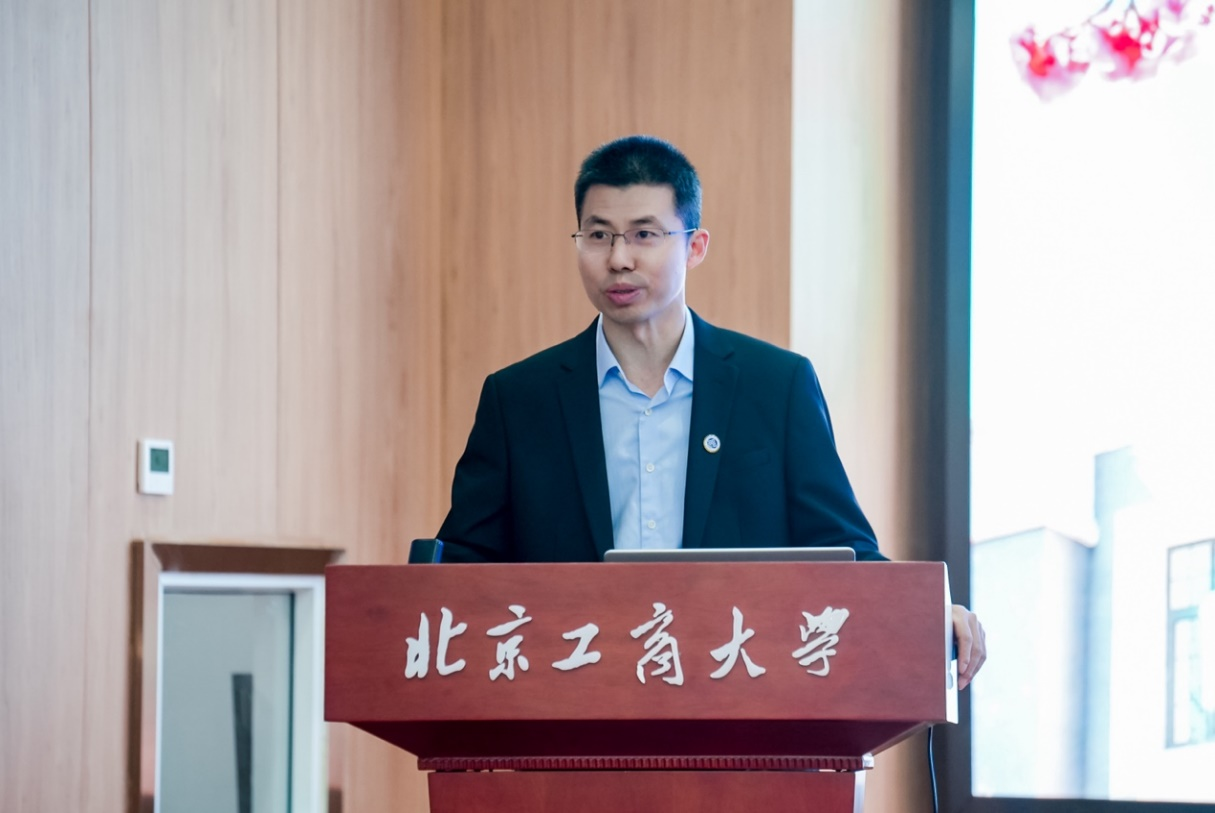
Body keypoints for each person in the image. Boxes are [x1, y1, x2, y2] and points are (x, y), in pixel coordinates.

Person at [436, 135, 986, 688]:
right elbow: (461, 572)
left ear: (695, 246)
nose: (619, 259)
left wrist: (927, 612)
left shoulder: (776, 386)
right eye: (598, 235)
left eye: (644, 235)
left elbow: (840, 550)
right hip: (571, 694)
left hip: (738, 692)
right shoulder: (519, 399)